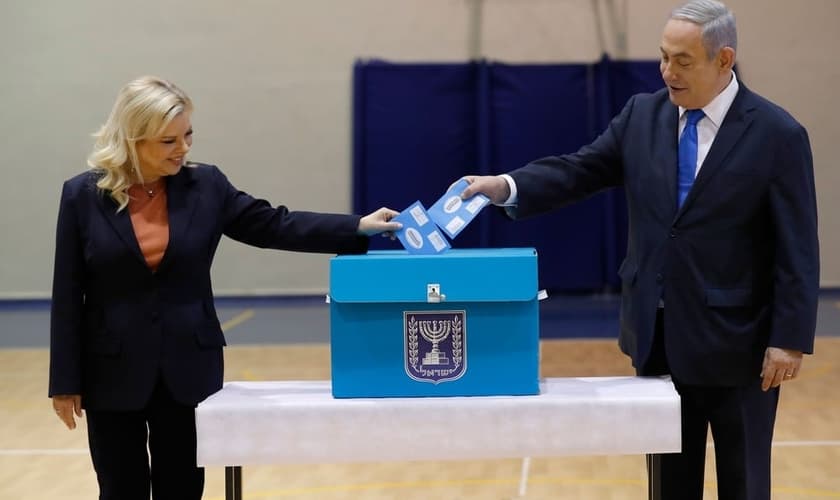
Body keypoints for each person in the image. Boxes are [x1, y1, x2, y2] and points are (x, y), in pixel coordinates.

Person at [460, 1, 819, 498]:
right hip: (658, 339)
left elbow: (797, 244)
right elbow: (579, 170)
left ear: (724, 59)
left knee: (745, 482)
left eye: (682, 60)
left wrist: (790, 337)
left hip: (741, 346)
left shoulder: (778, 134)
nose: (667, 71)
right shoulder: (642, 115)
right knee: (669, 485)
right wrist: (506, 185)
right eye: (663, 57)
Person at [48, 75, 401, 500]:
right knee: (121, 489)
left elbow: (274, 224)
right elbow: (67, 293)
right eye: (168, 141)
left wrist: (356, 226)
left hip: (187, 367)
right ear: (133, 138)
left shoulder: (207, 186)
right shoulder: (81, 196)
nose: (184, 149)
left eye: (188, 135)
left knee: (182, 488)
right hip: (110, 372)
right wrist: (64, 380)